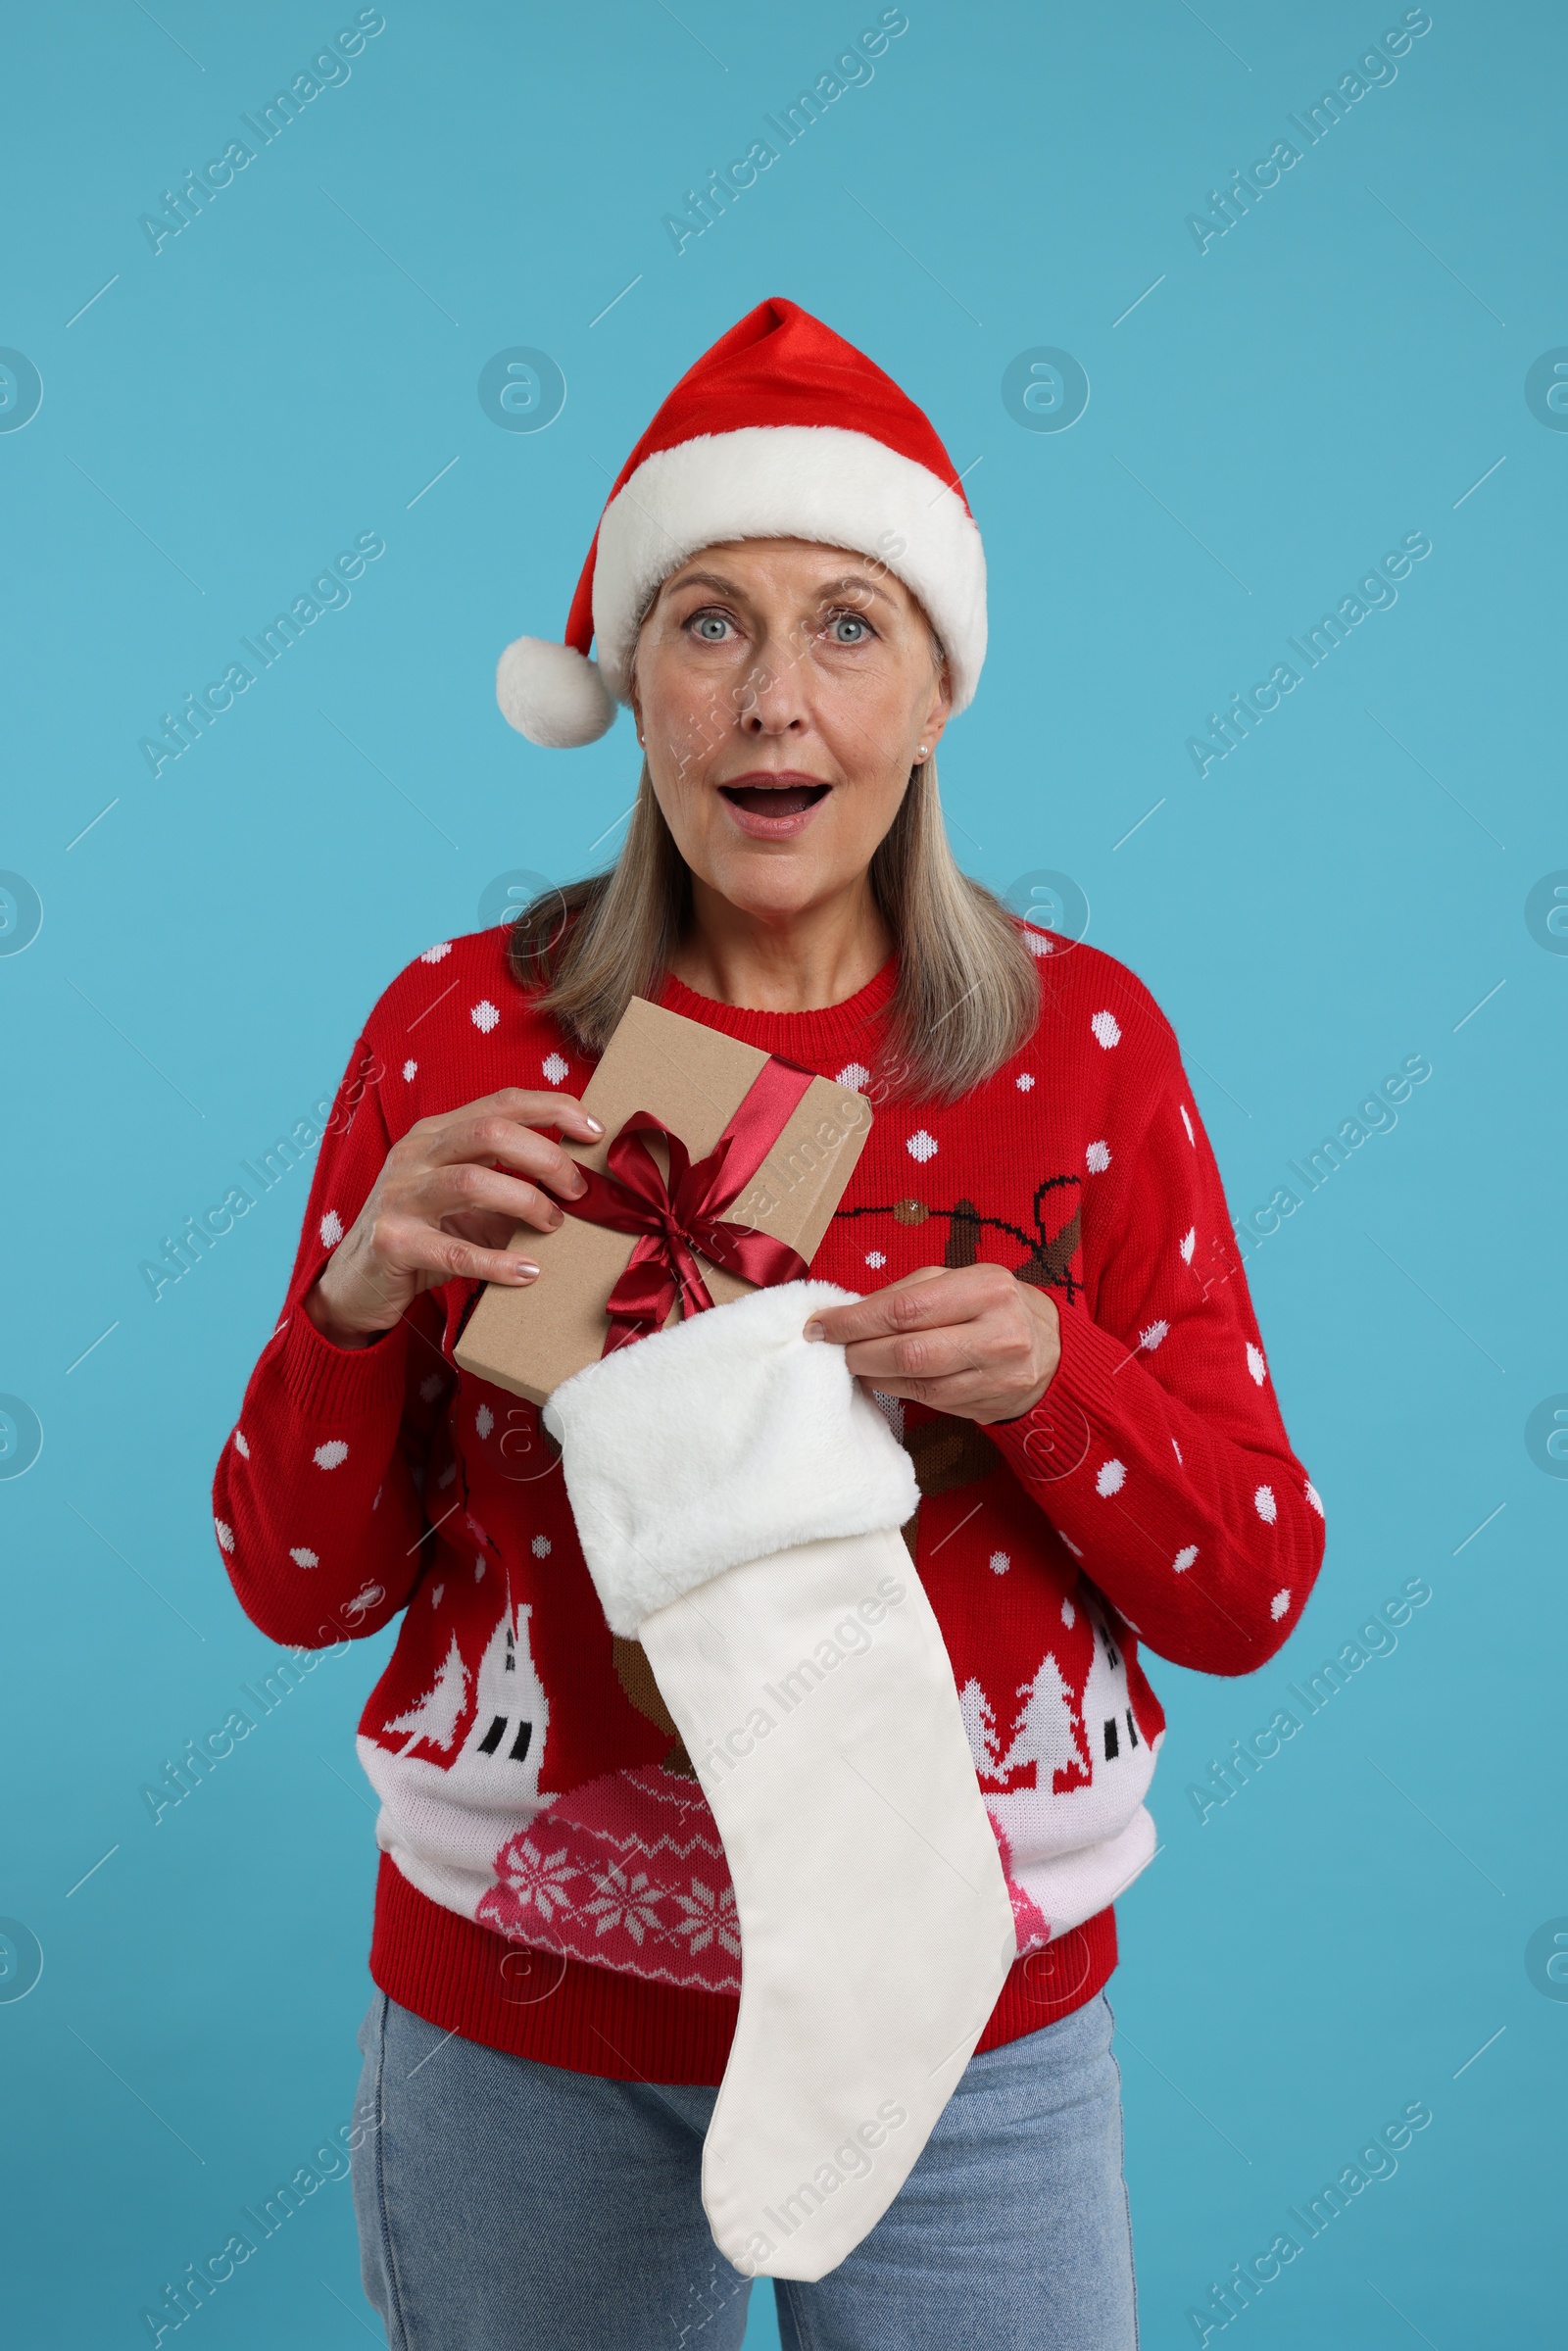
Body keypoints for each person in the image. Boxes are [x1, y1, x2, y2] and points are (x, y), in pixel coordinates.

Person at [213, 298, 1324, 2350]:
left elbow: (1247, 1585)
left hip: (968, 2027)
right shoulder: (467, 1032)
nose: (769, 700)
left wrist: (1054, 1383)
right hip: (524, 2017)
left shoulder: (1080, 1048)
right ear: (628, 679)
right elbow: (295, 1587)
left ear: (933, 692)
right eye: (707, 623)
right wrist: (367, 1293)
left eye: (843, 625)